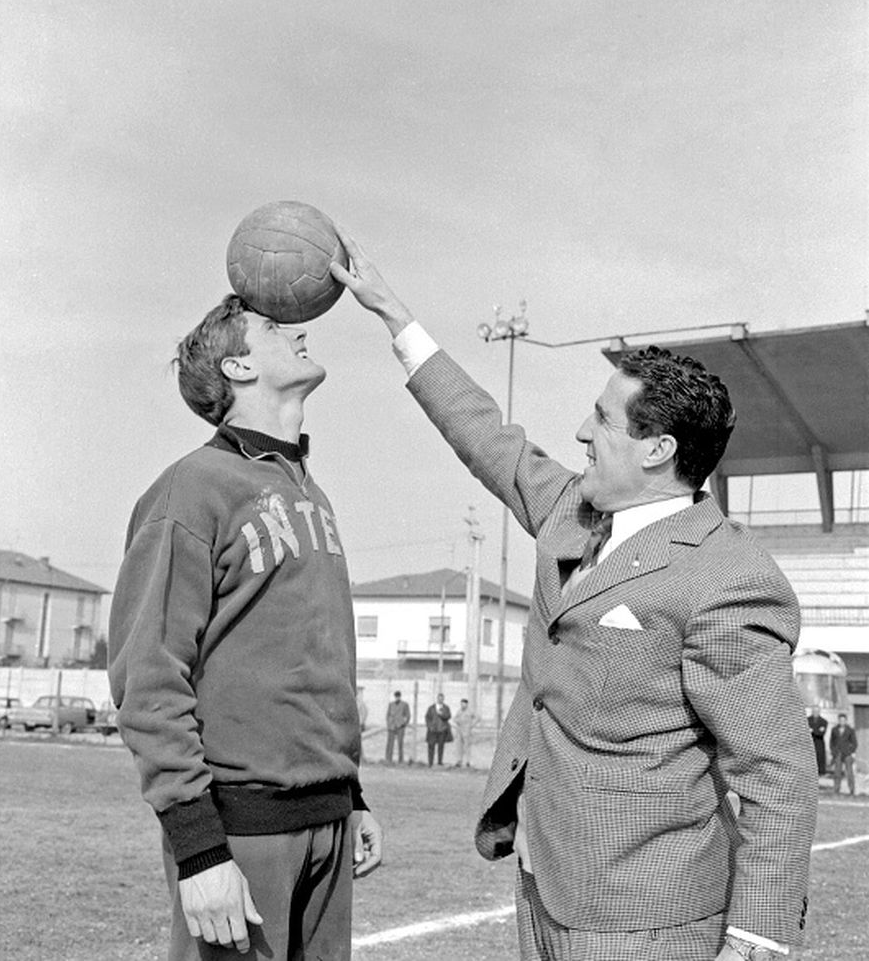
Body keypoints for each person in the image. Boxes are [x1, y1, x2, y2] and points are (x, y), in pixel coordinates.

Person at [332, 234, 817, 961]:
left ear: (656, 449)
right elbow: (487, 437)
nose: (581, 431)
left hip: (645, 919)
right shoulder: (572, 510)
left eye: (602, 418)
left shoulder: (727, 577)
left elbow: (777, 771)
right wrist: (396, 318)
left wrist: (754, 940)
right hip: (543, 885)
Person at [108, 294, 382, 961]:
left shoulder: (309, 492)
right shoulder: (191, 488)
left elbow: (313, 663)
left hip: (328, 821)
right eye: (272, 328)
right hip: (241, 828)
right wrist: (199, 848)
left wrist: (351, 795)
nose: (299, 332)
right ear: (236, 366)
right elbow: (148, 678)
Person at [829, 712, 858, 796]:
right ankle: (836, 790)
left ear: (846, 721)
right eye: (840, 720)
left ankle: (852, 791)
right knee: (837, 773)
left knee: (849, 773)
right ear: (838, 720)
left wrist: (851, 751)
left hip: (847, 754)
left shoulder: (850, 730)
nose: (842, 722)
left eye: (843, 720)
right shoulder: (834, 729)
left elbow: (855, 743)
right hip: (837, 753)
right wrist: (833, 751)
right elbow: (831, 742)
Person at [425, 692, 452, 766]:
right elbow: (427, 718)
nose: (440, 700)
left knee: (441, 746)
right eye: (439, 699)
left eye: (442, 699)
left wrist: (442, 714)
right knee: (431, 746)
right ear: (437, 699)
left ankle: (440, 762)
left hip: (441, 730)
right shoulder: (431, 708)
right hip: (433, 730)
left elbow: (448, 716)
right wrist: (429, 726)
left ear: (443, 699)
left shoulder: (446, 708)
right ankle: (430, 762)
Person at [384, 689, 411, 763]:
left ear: (400, 696)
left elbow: (408, 715)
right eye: (396, 696)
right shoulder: (391, 704)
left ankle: (400, 760)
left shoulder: (405, 704)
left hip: (400, 726)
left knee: (400, 743)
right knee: (390, 743)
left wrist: (404, 724)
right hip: (392, 726)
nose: (397, 698)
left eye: (398, 696)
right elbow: (388, 715)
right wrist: (389, 724)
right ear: (394, 697)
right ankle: (388, 759)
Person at [453, 698, 478, 768]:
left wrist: (472, 725)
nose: (462, 705)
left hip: (467, 731)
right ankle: (459, 761)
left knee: (467, 747)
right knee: (459, 747)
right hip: (459, 731)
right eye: (461, 704)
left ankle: (468, 761)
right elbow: (455, 718)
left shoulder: (470, 711)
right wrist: (457, 721)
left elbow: (478, 718)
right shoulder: (459, 711)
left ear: (467, 704)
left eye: (464, 704)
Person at [807, 706, 828, 776]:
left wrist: (812, 730)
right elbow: (805, 732)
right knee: (809, 758)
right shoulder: (806, 720)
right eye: (814, 711)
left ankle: (821, 773)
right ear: (812, 711)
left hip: (819, 743)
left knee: (820, 758)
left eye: (817, 711)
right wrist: (817, 730)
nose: (815, 712)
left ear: (819, 712)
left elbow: (821, 733)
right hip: (809, 742)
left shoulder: (824, 721)